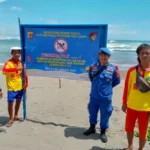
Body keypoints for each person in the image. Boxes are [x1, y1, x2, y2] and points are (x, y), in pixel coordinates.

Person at [83, 47, 121, 143]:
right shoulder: (93, 67)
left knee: (105, 114)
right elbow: (91, 77)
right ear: (99, 56)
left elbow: (117, 81)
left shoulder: (113, 68)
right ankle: (92, 128)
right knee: (92, 112)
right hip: (94, 96)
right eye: (101, 55)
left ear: (108, 57)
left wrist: (107, 88)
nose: (103, 57)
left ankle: (103, 132)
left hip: (105, 97)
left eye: (105, 55)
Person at [122, 43, 150, 150]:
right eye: (142, 53)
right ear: (138, 55)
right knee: (129, 128)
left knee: (143, 131)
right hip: (132, 106)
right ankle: (130, 146)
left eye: (147, 53)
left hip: (146, 108)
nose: (144, 55)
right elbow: (127, 88)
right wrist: (125, 103)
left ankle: (140, 149)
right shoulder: (131, 70)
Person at [2, 46, 28, 127]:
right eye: (15, 53)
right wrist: (16, 68)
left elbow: (25, 74)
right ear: (12, 53)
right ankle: (11, 118)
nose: (17, 54)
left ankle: (16, 115)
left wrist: (26, 84)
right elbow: (4, 70)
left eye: (18, 53)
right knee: (10, 103)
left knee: (18, 101)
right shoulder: (8, 63)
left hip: (20, 86)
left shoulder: (21, 62)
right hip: (11, 87)